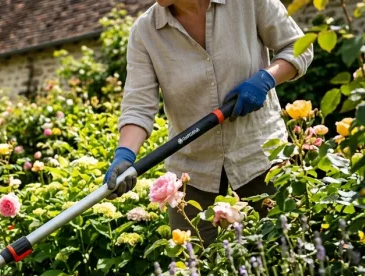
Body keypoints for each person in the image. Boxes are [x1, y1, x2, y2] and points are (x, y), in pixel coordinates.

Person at [104, 0, 313, 243]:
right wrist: (125, 155)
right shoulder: (145, 32)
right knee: (195, 269)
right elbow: (139, 104)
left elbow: (298, 46)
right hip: (192, 171)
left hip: (259, 157)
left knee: (288, 249)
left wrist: (266, 78)